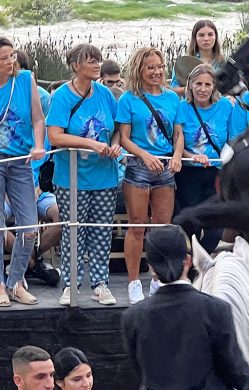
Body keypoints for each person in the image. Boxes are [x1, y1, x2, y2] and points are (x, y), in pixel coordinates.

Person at [121, 225, 249, 390]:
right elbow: (235, 372)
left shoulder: (132, 317)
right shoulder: (215, 309)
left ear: (151, 266)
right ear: (188, 260)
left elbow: (141, 371)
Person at [47, 43, 121, 306]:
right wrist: (90, 144)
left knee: (101, 231)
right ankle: (71, 284)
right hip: (71, 176)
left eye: (99, 60)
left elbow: (116, 130)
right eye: (91, 61)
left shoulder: (105, 94)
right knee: (73, 231)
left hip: (105, 176)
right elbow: (54, 135)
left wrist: (114, 144)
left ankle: (101, 284)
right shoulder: (62, 96)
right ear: (76, 65)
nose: (97, 65)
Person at [117, 47, 184, 304]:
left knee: (162, 227)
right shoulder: (129, 99)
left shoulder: (171, 99)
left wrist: (177, 155)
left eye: (159, 66)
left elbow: (178, 133)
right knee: (137, 226)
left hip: (166, 166)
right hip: (138, 166)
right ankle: (134, 281)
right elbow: (123, 137)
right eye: (150, 67)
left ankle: (158, 279)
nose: (156, 72)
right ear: (140, 70)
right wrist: (145, 155)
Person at [8, 49, 61, 287]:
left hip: (35, 182)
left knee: (63, 217)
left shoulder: (37, 94)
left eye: (13, 61)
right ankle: (31, 266)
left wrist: (39, 185)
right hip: (8, 180)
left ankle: (31, 259)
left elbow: (45, 143)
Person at [0, 38, 46, 307]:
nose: (11, 61)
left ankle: (15, 281)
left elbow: (38, 118)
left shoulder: (26, 78)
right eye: (4, 58)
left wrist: (39, 145)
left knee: (29, 228)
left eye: (12, 56)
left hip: (21, 161)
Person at [175, 63, 232, 253]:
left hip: (216, 171)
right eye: (198, 84)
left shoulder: (225, 106)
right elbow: (178, 140)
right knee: (191, 222)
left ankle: (202, 260)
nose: (203, 89)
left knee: (216, 225)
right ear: (190, 85)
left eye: (208, 85)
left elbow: (232, 138)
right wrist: (193, 157)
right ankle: (190, 261)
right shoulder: (182, 107)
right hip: (190, 172)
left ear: (214, 86)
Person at [170, 20, 225, 96]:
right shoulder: (184, 63)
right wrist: (192, 88)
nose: (206, 38)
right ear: (195, 38)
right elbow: (173, 89)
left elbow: (230, 88)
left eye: (210, 34)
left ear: (215, 37)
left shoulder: (223, 63)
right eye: (201, 35)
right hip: (190, 105)